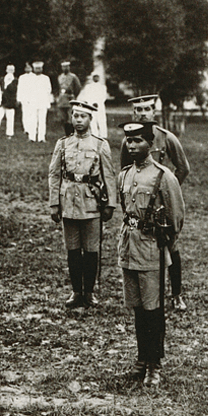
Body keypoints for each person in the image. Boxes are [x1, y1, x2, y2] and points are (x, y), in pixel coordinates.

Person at [117, 120, 184, 387]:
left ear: (150, 144)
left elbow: (176, 217)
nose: (132, 146)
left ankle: (155, 363)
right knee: (137, 307)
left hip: (151, 249)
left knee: (153, 309)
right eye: (129, 141)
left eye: (138, 141)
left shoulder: (163, 176)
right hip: (129, 246)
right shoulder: (124, 175)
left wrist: (163, 240)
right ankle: (142, 359)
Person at [120, 94, 191, 311]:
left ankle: (176, 294)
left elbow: (183, 168)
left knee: (171, 246)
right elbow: (125, 171)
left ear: (154, 111)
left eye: (146, 109)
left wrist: (166, 192)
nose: (142, 113)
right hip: (140, 204)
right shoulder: (128, 141)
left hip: (162, 202)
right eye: (138, 110)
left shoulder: (167, 138)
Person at [48, 100, 116, 309]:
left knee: (92, 250)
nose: (78, 120)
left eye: (82, 116)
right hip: (68, 203)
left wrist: (109, 204)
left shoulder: (99, 144)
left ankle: (89, 292)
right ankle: (76, 291)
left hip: (91, 203)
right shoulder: (63, 144)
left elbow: (109, 176)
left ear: (90, 119)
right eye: (75, 116)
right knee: (73, 249)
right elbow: (54, 174)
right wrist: (54, 204)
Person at [56, 61, 82, 136]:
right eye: (63, 67)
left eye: (66, 67)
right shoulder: (60, 77)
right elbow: (58, 88)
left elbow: (78, 87)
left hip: (70, 99)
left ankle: (73, 133)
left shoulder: (73, 77)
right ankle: (67, 134)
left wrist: (73, 95)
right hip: (62, 100)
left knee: (70, 118)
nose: (65, 68)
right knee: (63, 118)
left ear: (69, 67)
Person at [0, 64, 18, 138]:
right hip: (2, 101)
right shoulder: (2, 79)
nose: (10, 72)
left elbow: (14, 90)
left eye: (11, 70)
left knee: (10, 118)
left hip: (10, 101)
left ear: (13, 71)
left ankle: (9, 134)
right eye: (8, 70)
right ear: (6, 70)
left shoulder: (15, 80)